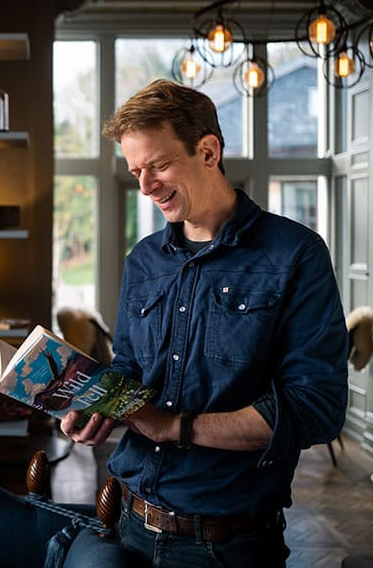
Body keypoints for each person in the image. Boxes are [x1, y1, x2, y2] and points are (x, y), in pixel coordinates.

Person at [60, 78, 348, 567]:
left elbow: (315, 408)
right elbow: (130, 365)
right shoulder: (143, 260)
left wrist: (172, 427)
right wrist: (100, 405)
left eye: (158, 165)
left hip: (227, 546)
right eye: (136, 171)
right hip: (127, 522)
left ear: (209, 151)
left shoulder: (296, 255)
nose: (145, 186)